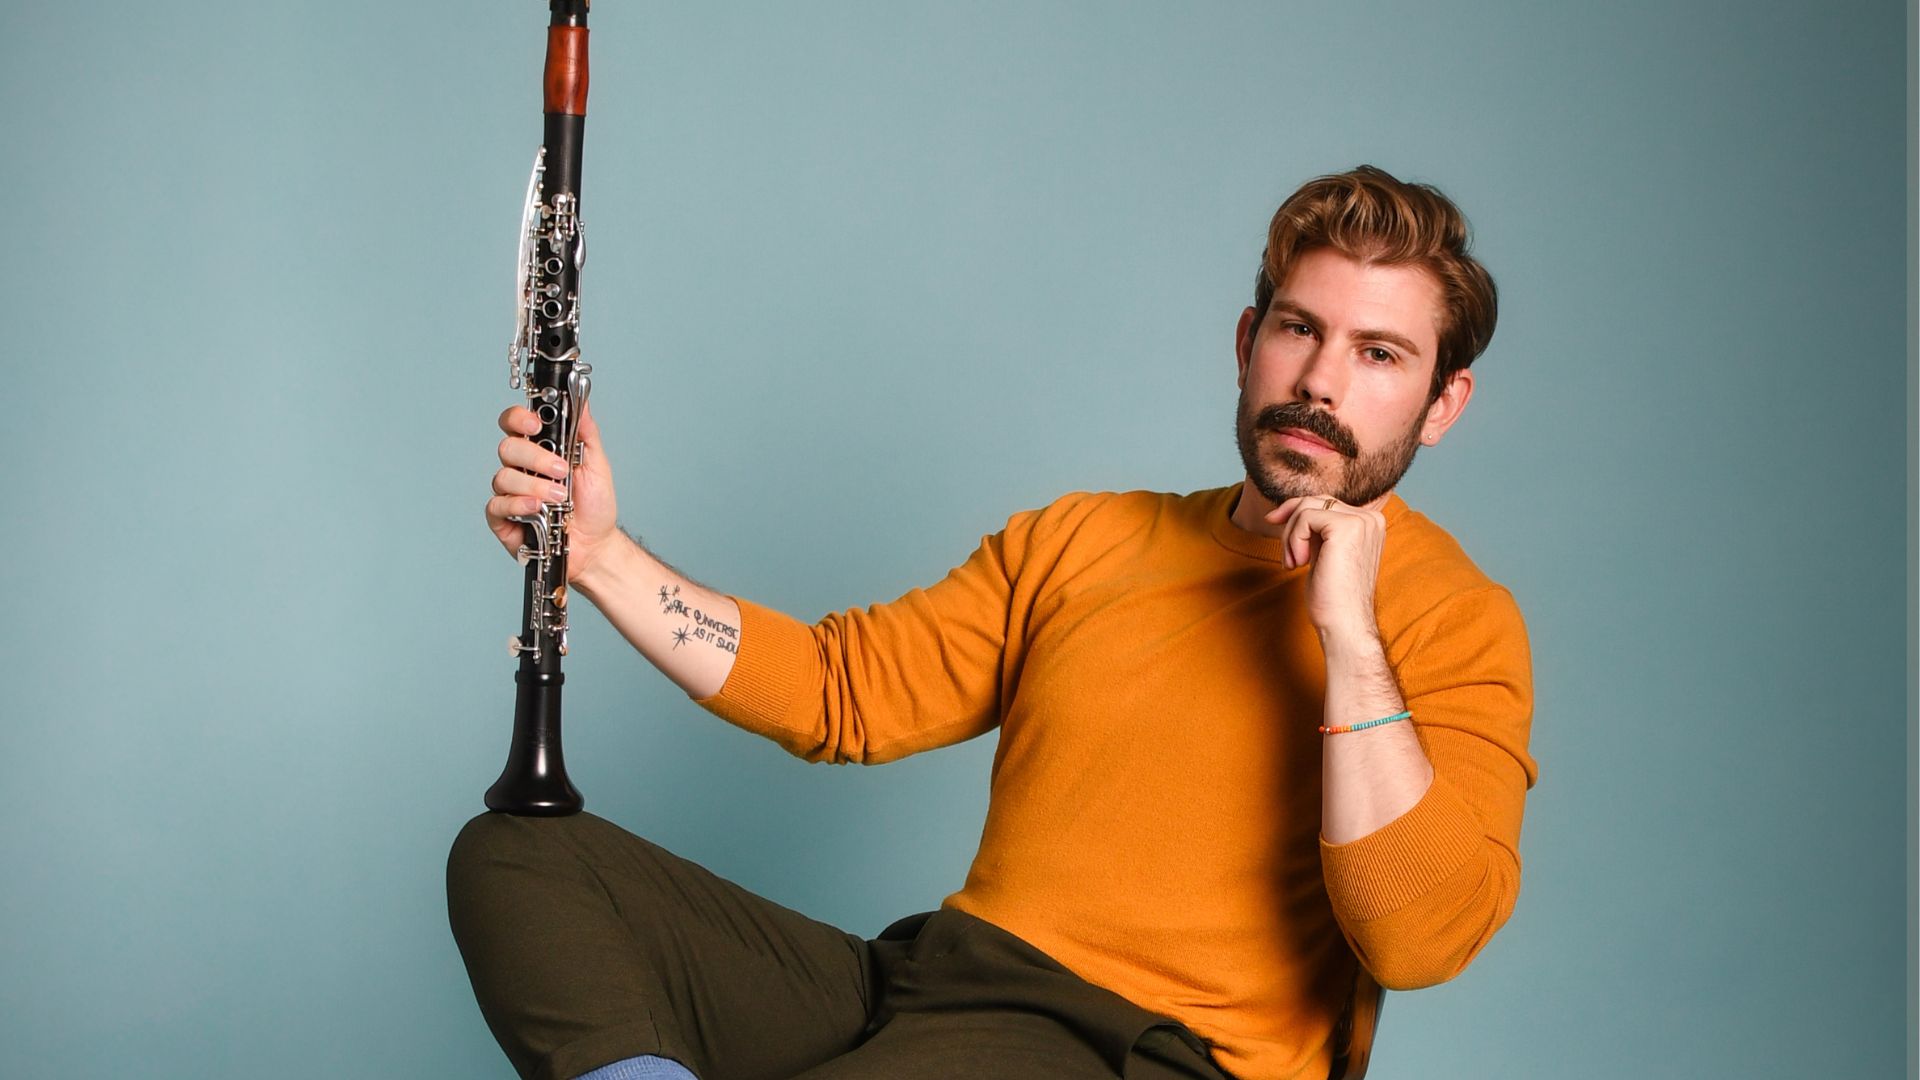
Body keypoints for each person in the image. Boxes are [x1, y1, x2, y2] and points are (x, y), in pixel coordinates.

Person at [448, 164, 1537, 1080]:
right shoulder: (1089, 540)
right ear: (1250, 338)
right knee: (523, 863)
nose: (1320, 382)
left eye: (1380, 354)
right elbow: (843, 690)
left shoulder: (1456, 621)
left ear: (1444, 403)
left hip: (1138, 1052)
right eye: (1301, 329)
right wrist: (597, 556)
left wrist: (1348, 639)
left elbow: (1419, 935)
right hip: (938, 986)